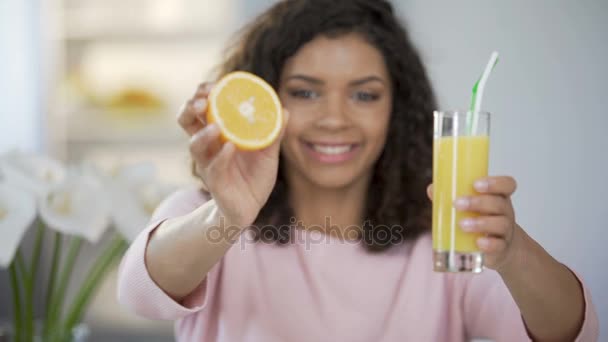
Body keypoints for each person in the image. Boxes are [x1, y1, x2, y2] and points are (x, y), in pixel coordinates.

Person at [117, 1, 598, 341]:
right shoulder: (206, 218)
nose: (334, 118)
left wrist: (513, 251)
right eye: (305, 91)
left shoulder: (444, 239)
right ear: (265, 101)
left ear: (398, 110)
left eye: (364, 94)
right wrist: (228, 219)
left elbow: (569, 332)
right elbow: (139, 293)